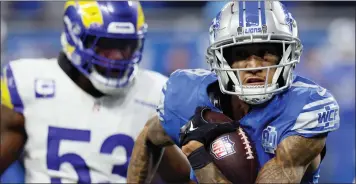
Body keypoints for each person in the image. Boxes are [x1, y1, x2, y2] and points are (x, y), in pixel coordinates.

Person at [127, 1, 340, 183]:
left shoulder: (304, 109)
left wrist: (199, 157)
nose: (254, 65)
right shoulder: (189, 97)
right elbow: (148, 138)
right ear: (221, 59)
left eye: (266, 53)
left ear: (287, 55)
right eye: (241, 54)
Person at [0, 1, 169, 183]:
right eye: (106, 45)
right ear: (75, 36)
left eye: (126, 45)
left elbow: (184, 177)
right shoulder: (28, 83)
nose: (118, 57)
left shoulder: (154, 93)